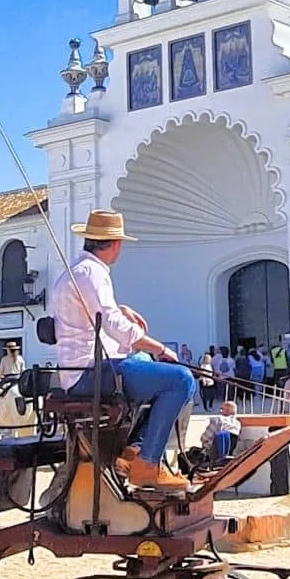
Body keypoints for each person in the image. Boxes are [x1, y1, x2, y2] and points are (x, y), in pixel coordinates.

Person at [53, 210, 196, 492]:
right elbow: (115, 325)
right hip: (90, 373)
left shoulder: (78, 271)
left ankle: (134, 452)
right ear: (116, 244)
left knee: (144, 362)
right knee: (181, 379)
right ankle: (148, 464)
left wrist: (122, 310)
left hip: (86, 369)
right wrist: (161, 348)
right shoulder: (92, 274)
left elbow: (97, 315)